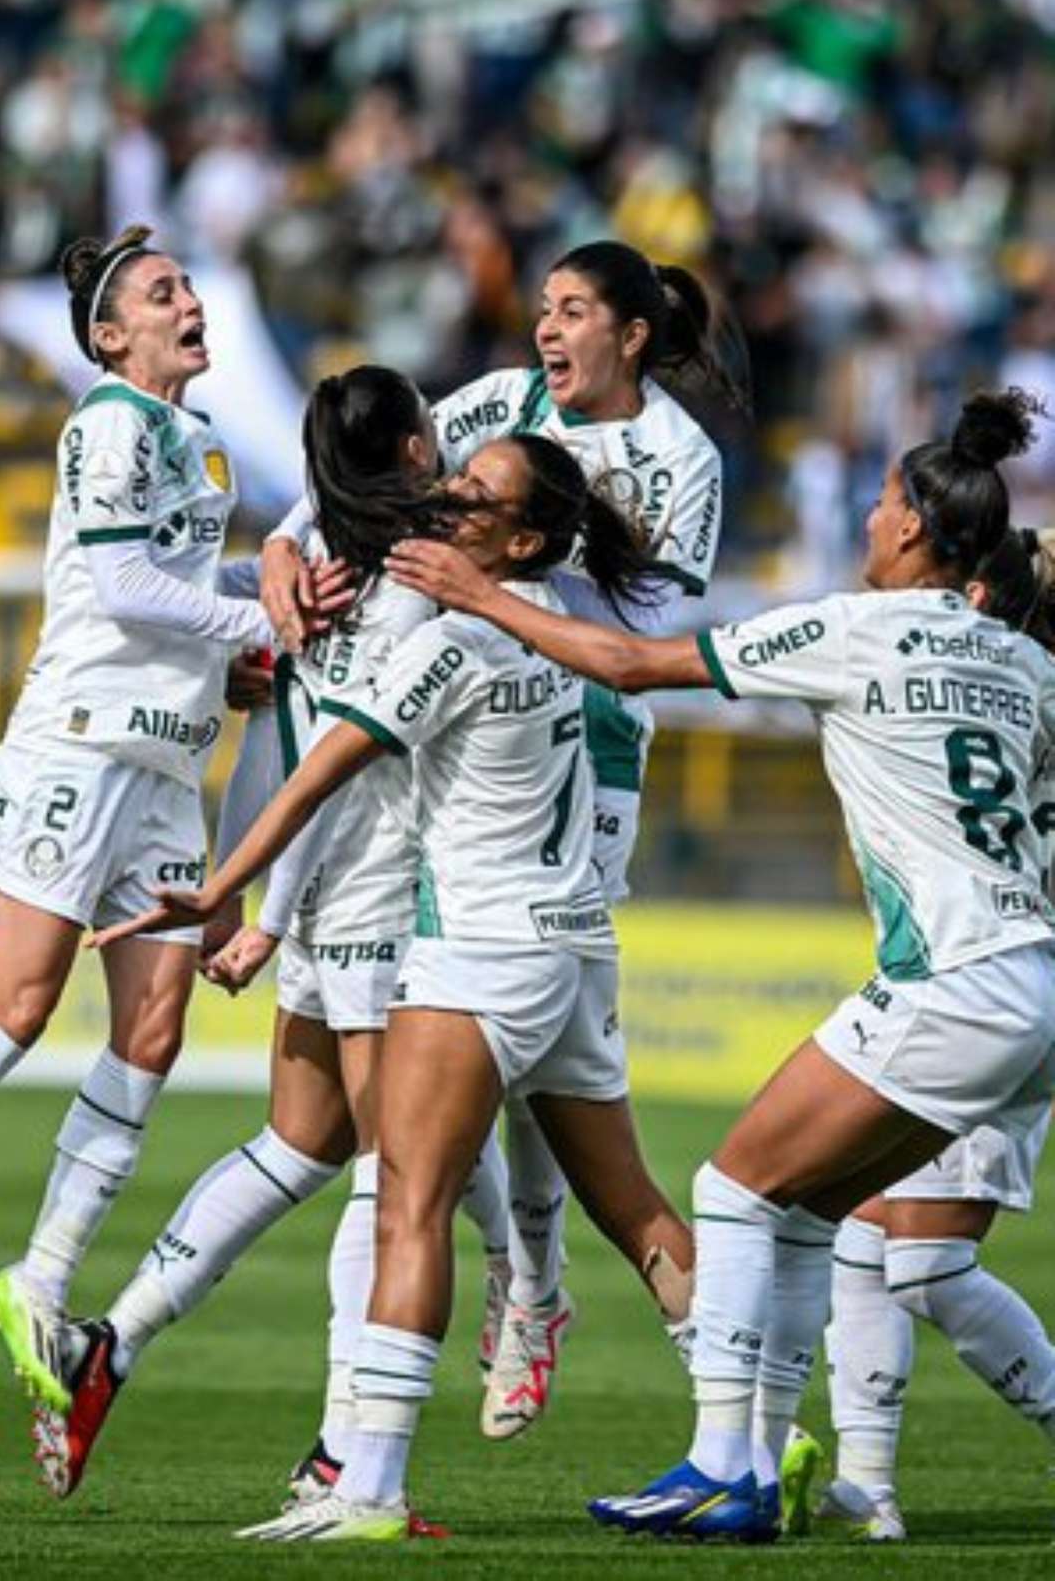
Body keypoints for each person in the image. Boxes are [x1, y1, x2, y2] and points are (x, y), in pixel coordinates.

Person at [385, 389, 1055, 1541]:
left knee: (731, 1187)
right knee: (806, 1214)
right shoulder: (1023, 663)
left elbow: (633, 665)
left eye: (883, 501)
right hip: (1033, 978)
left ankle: (720, 1462)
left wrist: (481, 595)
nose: (867, 519)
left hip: (953, 975)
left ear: (907, 530)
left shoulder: (854, 626)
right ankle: (749, 1464)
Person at [86, 431, 697, 1543]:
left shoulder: (455, 646)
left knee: (408, 1199)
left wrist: (221, 888)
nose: (448, 504)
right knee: (639, 1207)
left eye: (476, 500)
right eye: (454, 485)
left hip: (478, 953)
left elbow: (318, 770)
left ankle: (366, 1483)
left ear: (520, 539)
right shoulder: (564, 631)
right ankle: (748, 1442)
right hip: (576, 951)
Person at [261, 240, 745, 1438]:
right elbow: (353, 490)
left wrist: (506, 588)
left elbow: (658, 623)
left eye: (573, 309)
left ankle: (517, 1301)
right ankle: (612, 1331)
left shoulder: (679, 459)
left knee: (497, 1064)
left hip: (580, 757)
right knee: (541, 1062)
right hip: (451, 738)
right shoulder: (494, 403)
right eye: (542, 306)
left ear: (633, 334)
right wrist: (279, 553)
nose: (545, 327)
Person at [30, 367, 506, 1511]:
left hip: (322, 891)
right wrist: (265, 911)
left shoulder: (322, 554)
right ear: (407, 453)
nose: (446, 453)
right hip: (372, 896)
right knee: (404, 1178)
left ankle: (114, 1340)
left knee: (304, 1143)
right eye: (434, 438)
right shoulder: (402, 589)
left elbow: (276, 737)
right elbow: (328, 767)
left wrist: (244, 896)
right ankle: (355, 1446)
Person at [0, 224, 284, 1404]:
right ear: (110, 334)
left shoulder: (200, 445)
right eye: (161, 292)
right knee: (21, 1001)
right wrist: (258, 625)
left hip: (161, 768)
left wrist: (271, 589)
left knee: (154, 1033)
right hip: (79, 751)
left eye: (189, 283)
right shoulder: (104, 421)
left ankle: (39, 1279)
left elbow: (187, 591)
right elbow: (122, 587)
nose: (190, 301)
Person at [813, 526, 1055, 1543]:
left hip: (1005, 982)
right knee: (864, 1233)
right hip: (975, 974)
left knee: (924, 1267)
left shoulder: (1020, 690)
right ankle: (867, 1486)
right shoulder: (1021, 692)